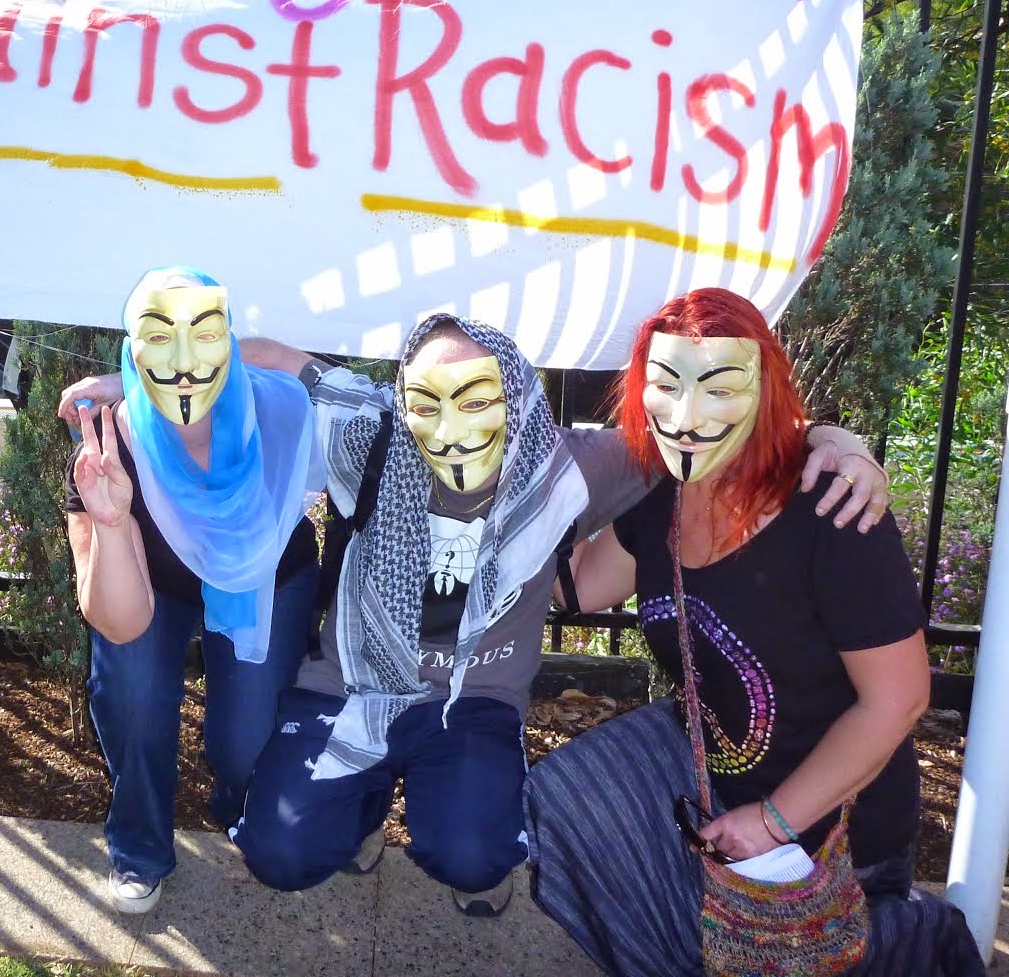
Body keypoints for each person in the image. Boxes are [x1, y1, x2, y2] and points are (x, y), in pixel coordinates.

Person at [61, 309, 882, 917]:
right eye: (429, 404)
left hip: (474, 702)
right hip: (350, 689)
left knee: (471, 847)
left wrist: (827, 441)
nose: (451, 432)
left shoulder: (567, 466)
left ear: (516, 397)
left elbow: (697, 429)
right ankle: (353, 823)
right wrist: (144, 383)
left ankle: (472, 844)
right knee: (278, 850)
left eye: (477, 400)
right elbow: (278, 361)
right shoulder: (372, 434)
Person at [524, 287, 981, 975]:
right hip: (712, 792)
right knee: (572, 798)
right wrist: (497, 488)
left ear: (765, 388)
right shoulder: (667, 502)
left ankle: (911, 942)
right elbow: (577, 585)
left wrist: (772, 821)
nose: (688, 416)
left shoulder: (833, 511)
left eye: (719, 388)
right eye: (666, 386)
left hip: (830, 826)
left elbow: (899, 700)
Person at [65, 267, 324, 913]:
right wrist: (113, 519)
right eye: (159, 343)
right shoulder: (105, 443)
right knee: (132, 689)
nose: (183, 367)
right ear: (134, 352)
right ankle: (140, 845)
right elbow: (117, 623)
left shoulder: (278, 404)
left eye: (204, 338)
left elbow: (323, 378)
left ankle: (242, 804)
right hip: (151, 582)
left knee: (245, 742)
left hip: (266, 579)